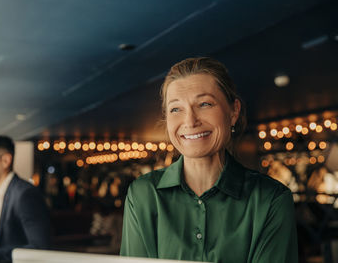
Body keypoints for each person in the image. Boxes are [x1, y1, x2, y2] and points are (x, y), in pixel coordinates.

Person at [120, 57, 298, 262]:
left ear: (233, 111)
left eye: (204, 104)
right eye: (176, 109)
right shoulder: (143, 194)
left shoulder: (271, 199)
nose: (190, 121)